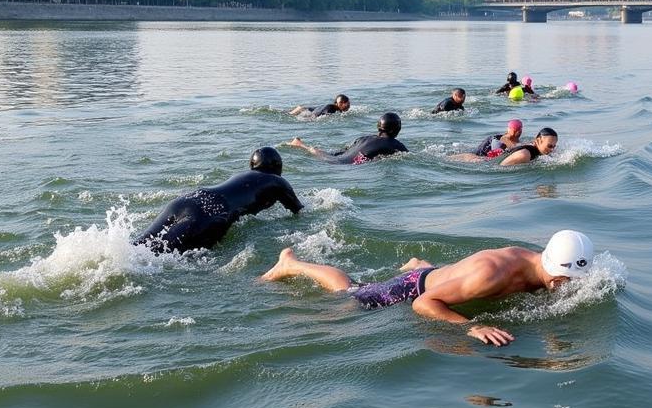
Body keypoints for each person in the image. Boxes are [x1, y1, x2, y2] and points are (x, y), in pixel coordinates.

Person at [259, 229, 595, 346]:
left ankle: (424, 266)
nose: (569, 289)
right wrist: (471, 326)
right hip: (414, 289)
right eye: (567, 284)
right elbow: (424, 305)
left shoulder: (543, 266)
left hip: (445, 278)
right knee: (349, 296)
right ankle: (292, 263)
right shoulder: (493, 275)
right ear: (556, 275)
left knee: (443, 278)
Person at [134, 147, 303, 254]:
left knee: (138, 247)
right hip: (212, 213)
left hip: (188, 199)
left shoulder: (241, 176)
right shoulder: (278, 182)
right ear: (278, 166)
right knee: (155, 257)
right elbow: (298, 210)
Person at [288, 112, 408, 164]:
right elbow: (409, 156)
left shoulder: (364, 138)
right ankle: (300, 145)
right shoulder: (395, 144)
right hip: (344, 167)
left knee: (323, 153)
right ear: (395, 129)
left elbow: (345, 150)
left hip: (336, 160)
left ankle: (300, 144)